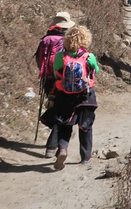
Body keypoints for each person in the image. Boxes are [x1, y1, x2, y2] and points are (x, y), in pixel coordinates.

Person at [41, 25, 99, 170]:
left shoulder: (61, 56)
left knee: (64, 125)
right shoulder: (89, 56)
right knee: (85, 126)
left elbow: (56, 73)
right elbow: (95, 70)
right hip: (85, 97)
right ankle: (85, 157)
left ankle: (62, 149)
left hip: (64, 95)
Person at [34, 11, 75, 158]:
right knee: (61, 111)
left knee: (55, 107)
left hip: (46, 79)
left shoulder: (45, 39)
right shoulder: (65, 40)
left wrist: (44, 73)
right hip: (61, 80)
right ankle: (52, 147)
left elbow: (38, 59)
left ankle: (56, 134)